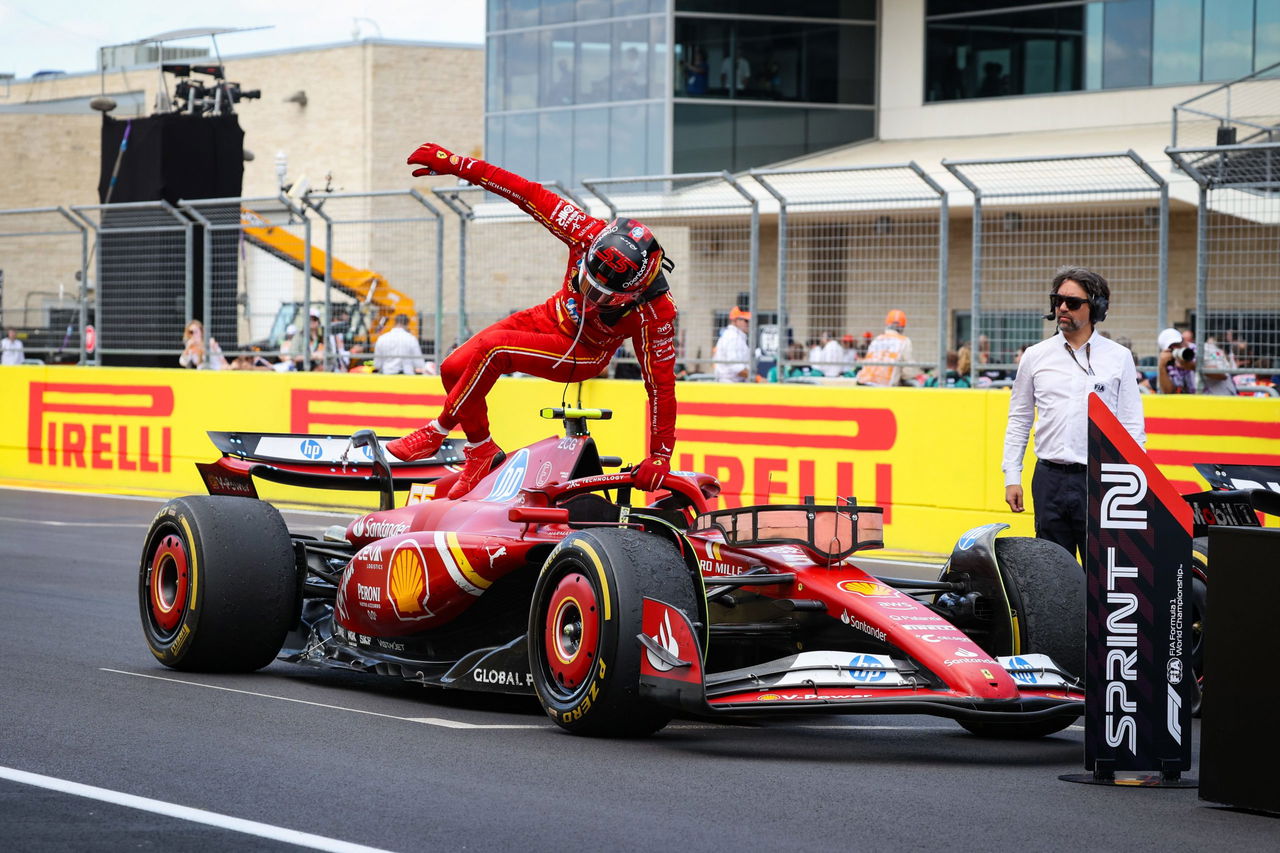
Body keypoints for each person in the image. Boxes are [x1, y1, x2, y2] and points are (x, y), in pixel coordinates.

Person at [388, 141, 679, 500]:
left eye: (603, 295)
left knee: (494, 351)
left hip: (584, 352)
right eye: (586, 279)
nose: (590, 295)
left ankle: (437, 429)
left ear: (633, 294)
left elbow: (661, 387)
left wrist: (660, 456)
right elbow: (524, 191)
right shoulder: (585, 232)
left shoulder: (656, 313)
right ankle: (481, 451)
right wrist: (458, 164)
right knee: (452, 367)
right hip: (547, 315)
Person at [1002, 266, 1146, 564]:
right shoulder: (1035, 355)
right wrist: (1012, 475)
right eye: (1058, 300)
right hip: (1048, 479)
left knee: (1101, 572)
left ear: (1097, 307)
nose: (1062, 308)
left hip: (1101, 481)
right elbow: (1019, 419)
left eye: (1073, 302)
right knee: (1053, 573)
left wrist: (1134, 484)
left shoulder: (1118, 358)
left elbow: (1132, 426)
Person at [856, 310, 913, 387]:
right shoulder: (904, 341)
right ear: (902, 326)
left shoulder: (877, 339)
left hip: (863, 383)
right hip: (883, 386)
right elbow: (908, 371)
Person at [713, 306, 752, 382]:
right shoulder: (733, 338)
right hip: (730, 384)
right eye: (746, 321)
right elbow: (736, 368)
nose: (749, 324)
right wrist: (756, 377)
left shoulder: (735, 336)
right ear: (735, 321)